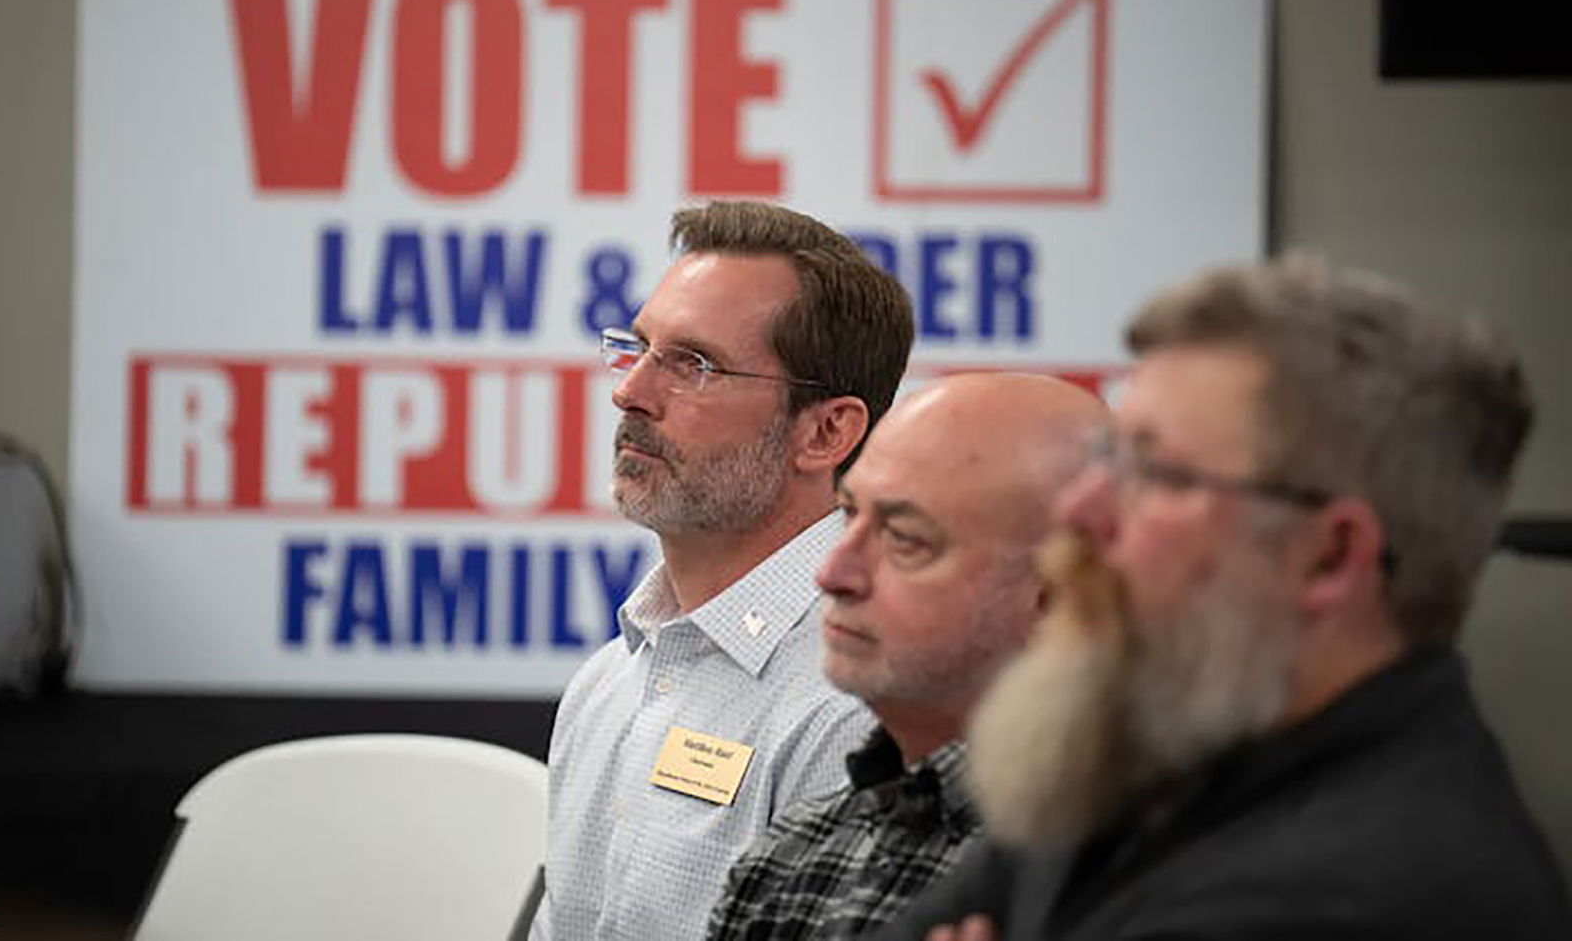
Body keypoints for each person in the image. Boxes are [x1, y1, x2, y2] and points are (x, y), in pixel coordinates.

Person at [886, 257, 1571, 940]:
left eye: (1155, 472)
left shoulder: (1357, 894)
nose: (1079, 510)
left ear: (1327, 554)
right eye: (1110, 456)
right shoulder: (1147, 751)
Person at [531, 200, 915, 941]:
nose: (630, 392)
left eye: (693, 366)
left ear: (827, 431)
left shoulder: (859, 706)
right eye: (638, 348)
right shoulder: (606, 682)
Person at [706, 373, 1106, 940]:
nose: (832, 573)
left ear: (1059, 597)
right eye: (849, 516)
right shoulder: (790, 857)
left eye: (905, 539)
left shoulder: (1133, 873)